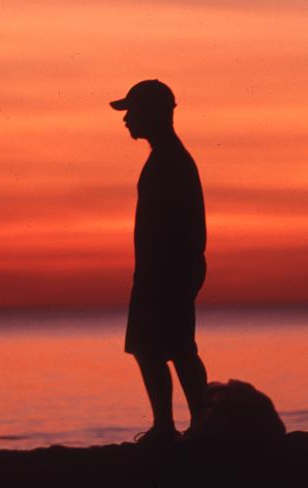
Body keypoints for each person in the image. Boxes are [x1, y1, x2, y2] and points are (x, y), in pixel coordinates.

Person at [110, 80, 208, 443]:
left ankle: (180, 426)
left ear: (152, 113)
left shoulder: (170, 160)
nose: (127, 120)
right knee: (163, 348)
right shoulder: (168, 157)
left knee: (163, 348)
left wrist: (177, 272)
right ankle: (186, 424)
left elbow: (185, 224)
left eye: (132, 112)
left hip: (165, 272)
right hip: (163, 271)